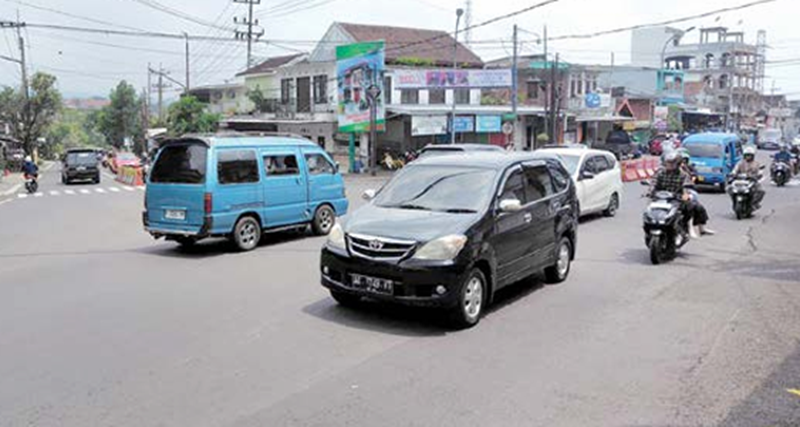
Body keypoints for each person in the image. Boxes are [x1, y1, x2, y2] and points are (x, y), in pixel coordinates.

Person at [678, 148, 715, 236]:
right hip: (674, 192)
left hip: (686, 190)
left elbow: (695, 178)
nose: (683, 162)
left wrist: (694, 178)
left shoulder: (689, 168)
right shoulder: (672, 170)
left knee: (695, 206)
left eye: (685, 160)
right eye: (681, 160)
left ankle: (700, 228)